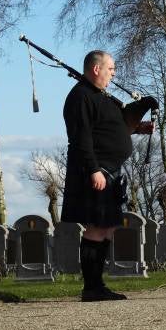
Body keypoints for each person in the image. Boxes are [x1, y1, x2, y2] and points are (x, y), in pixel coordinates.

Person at [61, 50, 157, 301]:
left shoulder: (101, 96)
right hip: (95, 170)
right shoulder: (80, 97)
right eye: (110, 69)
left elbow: (107, 128)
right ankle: (91, 288)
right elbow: (81, 137)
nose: (113, 74)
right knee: (96, 227)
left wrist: (137, 129)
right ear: (96, 69)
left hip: (109, 171)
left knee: (107, 227)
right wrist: (94, 170)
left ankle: (98, 285)